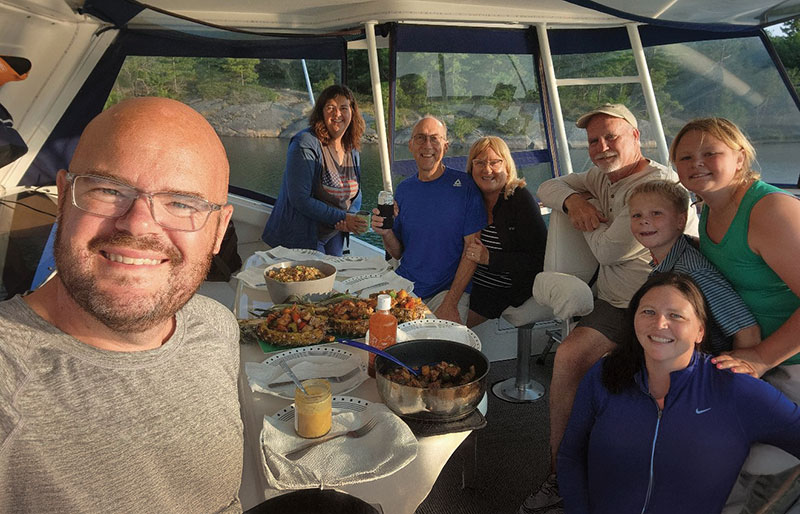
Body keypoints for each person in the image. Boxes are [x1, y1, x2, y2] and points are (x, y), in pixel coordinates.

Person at [0, 97, 243, 512]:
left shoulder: (217, 327)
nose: (138, 223)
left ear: (219, 231)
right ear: (64, 197)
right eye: (109, 190)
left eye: (181, 203)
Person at [521, 103, 698, 514]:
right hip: (615, 304)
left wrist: (587, 218)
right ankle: (559, 474)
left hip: (660, 305)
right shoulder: (601, 175)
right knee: (569, 357)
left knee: (637, 385)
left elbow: (606, 250)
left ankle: (646, 481)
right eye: (593, 141)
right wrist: (575, 202)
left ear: (636, 136)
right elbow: (546, 187)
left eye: (611, 137)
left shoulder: (654, 188)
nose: (601, 147)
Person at [557, 273, 800, 514]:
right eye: (648, 312)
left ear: (700, 331)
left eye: (676, 316)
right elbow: (570, 454)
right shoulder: (606, 373)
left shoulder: (733, 387)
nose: (660, 324)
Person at [671, 117, 800, 510]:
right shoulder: (710, 208)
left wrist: (760, 357)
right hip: (748, 349)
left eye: (710, 153)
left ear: (740, 158)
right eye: (685, 157)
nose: (697, 163)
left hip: (788, 362)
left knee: (719, 451)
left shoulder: (769, 210)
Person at [371, 116, 486, 323]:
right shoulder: (404, 189)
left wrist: (450, 303)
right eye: (420, 138)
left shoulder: (465, 187)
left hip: (447, 292)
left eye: (434, 138)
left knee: (441, 342)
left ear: (446, 146)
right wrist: (386, 232)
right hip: (406, 287)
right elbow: (398, 252)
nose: (428, 145)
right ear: (411, 145)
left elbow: (472, 251)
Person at [628, 179, 760, 354]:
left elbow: (748, 332)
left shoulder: (693, 272)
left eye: (656, 213)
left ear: (680, 221)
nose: (644, 221)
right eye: (636, 215)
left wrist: (732, 370)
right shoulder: (668, 262)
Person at [261, 84, 367, 255]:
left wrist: (351, 217)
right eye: (330, 107)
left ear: (352, 112)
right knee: (312, 273)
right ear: (321, 112)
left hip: (334, 231)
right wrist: (343, 217)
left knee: (334, 272)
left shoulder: (351, 147)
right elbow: (300, 199)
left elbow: (357, 192)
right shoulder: (305, 142)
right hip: (301, 234)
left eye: (343, 108)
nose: (337, 114)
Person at [462, 136, 547, 328]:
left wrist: (489, 258)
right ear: (471, 168)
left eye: (495, 162)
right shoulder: (468, 198)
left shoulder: (519, 200)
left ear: (507, 166)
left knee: (447, 325)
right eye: (480, 163)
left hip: (502, 289)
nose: (487, 169)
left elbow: (540, 258)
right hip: (468, 281)